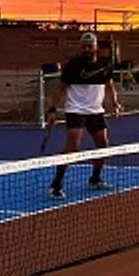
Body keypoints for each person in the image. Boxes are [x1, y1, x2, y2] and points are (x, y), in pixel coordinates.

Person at [45, 32, 121, 199]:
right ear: (81, 47)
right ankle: (56, 184)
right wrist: (52, 110)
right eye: (84, 46)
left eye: (90, 46)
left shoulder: (104, 65)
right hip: (75, 110)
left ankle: (95, 179)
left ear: (96, 47)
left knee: (103, 145)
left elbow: (110, 86)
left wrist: (114, 103)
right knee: (73, 146)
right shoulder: (73, 66)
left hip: (96, 111)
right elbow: (60, 89)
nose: (87, 49)